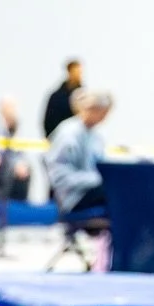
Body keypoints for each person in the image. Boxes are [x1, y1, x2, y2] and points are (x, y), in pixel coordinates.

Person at [45, 90, 113, 218]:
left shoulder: (96, 135)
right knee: (115, 193)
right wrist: (95, 179)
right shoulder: (68, 133)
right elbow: (59, 175)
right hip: (73, 197)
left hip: (90, 190)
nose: (104, 118)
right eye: (103, 113)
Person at [43, 60, 83, 141]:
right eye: (76, 72)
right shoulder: (57, 97)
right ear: (69, 72)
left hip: (78, 139)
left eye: (80, 72)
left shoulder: (84, 97)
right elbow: (49, 120)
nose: (79, 75)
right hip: (57, 138)